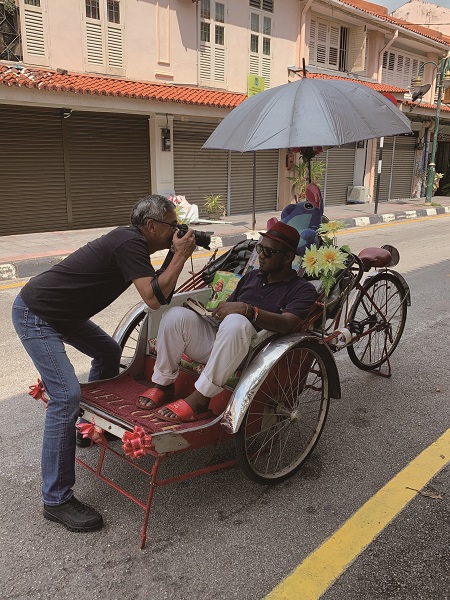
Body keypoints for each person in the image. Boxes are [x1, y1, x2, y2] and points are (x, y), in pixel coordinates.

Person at [11, 195, 196, 533]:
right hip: (37, 315)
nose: (175, 231)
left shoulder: (132, 243)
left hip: (62, 315)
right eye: (172, 226)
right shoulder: (129, 242)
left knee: (109, 353)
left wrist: (174, 254)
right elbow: (154, 299)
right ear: (151, 226)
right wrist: (181, 254)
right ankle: (55, 498)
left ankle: (85, 428)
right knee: (65, 396)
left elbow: (161, 289)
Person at [137, 221, 317, 423]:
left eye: (269, 251)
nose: (261, 256)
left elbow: (287, 324)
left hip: (252, 352)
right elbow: (228, 311)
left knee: (237, 322)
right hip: (221, 341)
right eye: (260, 248)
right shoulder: (251, 277)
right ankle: (164, 384)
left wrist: (249, 311)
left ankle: (200, 399)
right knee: (175, 316)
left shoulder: (302, 289)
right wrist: (207, 312)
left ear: (287, 257)